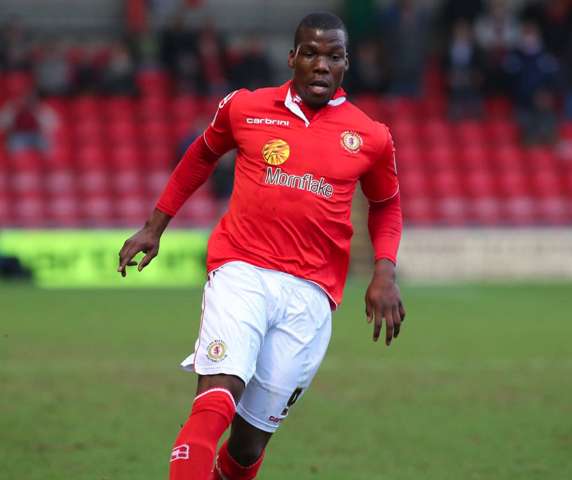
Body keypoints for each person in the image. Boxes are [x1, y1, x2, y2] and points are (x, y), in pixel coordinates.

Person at [117, 12, 406, 480]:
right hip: (240, 271)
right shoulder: (245, 107)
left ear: (345, 65)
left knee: (247, 449)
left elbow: (386, 205)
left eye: (333, 56)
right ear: (292, 57)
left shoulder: (371, 136)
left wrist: (384, 270)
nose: (320, 65)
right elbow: (201, 154)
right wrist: (155, 226)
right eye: (310, 53)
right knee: (215, 401)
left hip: (312, 295)